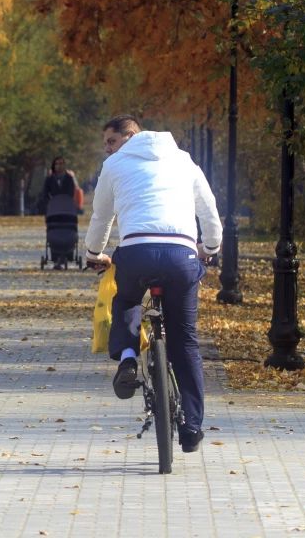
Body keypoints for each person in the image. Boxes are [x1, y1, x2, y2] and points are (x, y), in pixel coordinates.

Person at [84, 115, 222, 454]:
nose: (108, 150)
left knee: (128, 300)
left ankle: (129, 358)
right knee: (185, 339)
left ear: (130, 135)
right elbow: (208, 209)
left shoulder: (115, 165)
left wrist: (93, 254)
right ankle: (192, 425)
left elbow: (101, 216)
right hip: (182, 257)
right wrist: (211, 248)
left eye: (111, 142)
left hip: (136, 253)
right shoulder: (184, 160)